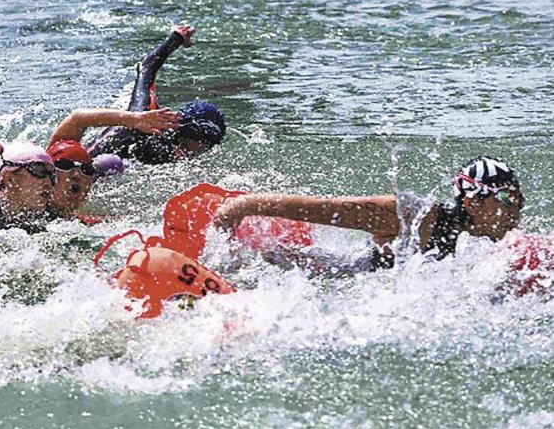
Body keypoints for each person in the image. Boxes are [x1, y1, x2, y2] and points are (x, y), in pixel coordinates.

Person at [212, 157, 524, 268]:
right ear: (472, 201)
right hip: (324, 274)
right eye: (507, 197)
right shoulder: (418, 217)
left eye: (520, 198)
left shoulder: (480, 245)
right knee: (268, 258)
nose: (518, 208)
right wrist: (245, 206)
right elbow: (324, 210)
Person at [49, 24, 226, 164]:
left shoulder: (168, 143)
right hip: (77, 170)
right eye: (203, 144)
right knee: (108, 163)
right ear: (188, 132)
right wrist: (175, 38)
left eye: (209, 147)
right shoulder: (144, 119)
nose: (203, 151)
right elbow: (146, 68)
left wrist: (177, 38)